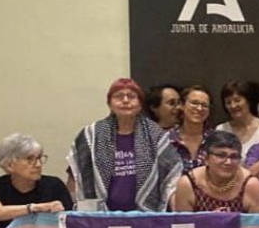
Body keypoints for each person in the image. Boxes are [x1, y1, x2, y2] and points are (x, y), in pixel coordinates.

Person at [68, 78, 182, 212]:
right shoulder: (91, 135)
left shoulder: (156, 135)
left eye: (132, 96)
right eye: (119, 96)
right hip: (99, 216)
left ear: (140, 103)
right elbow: (76, 176)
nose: (126, 100)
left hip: (145, 216)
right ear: (110, 104)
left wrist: (178, 213)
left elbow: (172, 179)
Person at [169, 131, 259, 213]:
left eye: (234, 157)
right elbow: (183, 227)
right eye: (221, 155)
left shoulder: (251, 185)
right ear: (206, 158)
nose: (228, 162)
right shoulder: (189, 183)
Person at [215, 81, 259, 157]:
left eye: (237, 100)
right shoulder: (221, 130)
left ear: (248, 101)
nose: (233, 106)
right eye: (228, 102)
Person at [169, 85, 213, 173]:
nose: (199, 108)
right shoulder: (166, 139)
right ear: (181, 105)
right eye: (194, 103)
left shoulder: (217, 140)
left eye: (204, 105)